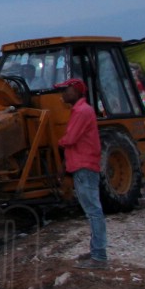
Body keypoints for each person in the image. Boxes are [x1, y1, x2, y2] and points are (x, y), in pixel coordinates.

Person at [56, 78, 106, 269]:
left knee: (93, 211)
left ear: (76, 91)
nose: (63, 94)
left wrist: (59, 142)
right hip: (81, 164)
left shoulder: (81, 112)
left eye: (66, 90)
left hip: (84, 165)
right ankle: (96, 250)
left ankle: (99, 256)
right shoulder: (82, 111)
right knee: (92, 211)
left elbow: (70, 138)